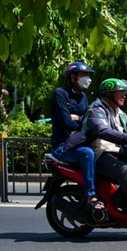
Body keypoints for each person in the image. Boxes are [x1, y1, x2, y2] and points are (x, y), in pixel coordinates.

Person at [81, 78, 127, 216]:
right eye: (120, 92)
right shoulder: (96, 111)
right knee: (125, 170)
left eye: (125, 92)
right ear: (109, 94)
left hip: (117, 153)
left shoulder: (120, 113)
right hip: (100, 154)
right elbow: (103, 131)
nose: (124, 96)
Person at [48, 62, 100, 210]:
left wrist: (79, 119)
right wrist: (80, 121)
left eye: (89, 76)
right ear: (73, 77)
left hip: (80, 142)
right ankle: (91, 196)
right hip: (63, 146)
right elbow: (66, 123)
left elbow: (88, 120)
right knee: (87, 154)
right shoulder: (60, 94)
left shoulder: (83, 97)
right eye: (84, 75)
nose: (88, 79)